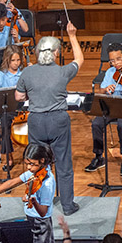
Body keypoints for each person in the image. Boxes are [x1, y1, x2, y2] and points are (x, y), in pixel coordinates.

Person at [14, 21, 83, 216]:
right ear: (55, 53)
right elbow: (79, 59)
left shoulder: (27, 72)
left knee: (36, 162)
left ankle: (38, 200)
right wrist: (72, 36)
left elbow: (18, 97)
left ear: (37, 53)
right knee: (63, 163)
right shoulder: (62, 71)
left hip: (36, 121)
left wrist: (33, 94)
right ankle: (68, 206)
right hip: (58, 121)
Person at [85, 42, 122, 175]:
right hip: (111, 106)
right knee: (96, 123)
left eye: (118, 59)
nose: (116, 63)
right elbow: (101, 90)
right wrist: (106, 89)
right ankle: (98, 156)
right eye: (112, 61)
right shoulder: (110, 73)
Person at [0, 45, 26, 170]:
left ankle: (31, 153)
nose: (16, 63)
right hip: (9, 109)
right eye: (13, 60)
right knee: (5, 124)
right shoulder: (2, 74)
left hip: (24, 108)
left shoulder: (23, 73)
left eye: (18, 60)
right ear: (7, 60)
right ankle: (9, 156)